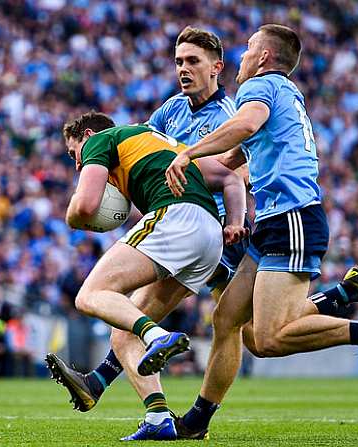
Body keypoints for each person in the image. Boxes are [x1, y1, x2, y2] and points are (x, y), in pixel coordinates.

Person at [164, 24, 358, 439]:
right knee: (228, 320)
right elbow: (229, 161)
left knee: (268, 340)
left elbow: (244, 126)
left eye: (247, 50)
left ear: (264, 57)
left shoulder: (260, 88)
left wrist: (188, 151)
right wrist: (177, 165)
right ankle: (196, 422)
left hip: (292, 218)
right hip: (276, 221)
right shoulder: (283, 93)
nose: (242, 58)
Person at [47, 25, 247, 419]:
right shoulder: (168, 112)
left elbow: (234, 175)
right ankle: (148, 411)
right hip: (200, 234)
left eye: (192, 61)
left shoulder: (230, 118)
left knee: (255, 332)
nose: (183, 69)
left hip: (201, 226)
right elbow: (152, 152)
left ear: (216, 68)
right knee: (126, 323)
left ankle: (343, 302)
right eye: (178, 62)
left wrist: (236, 221)